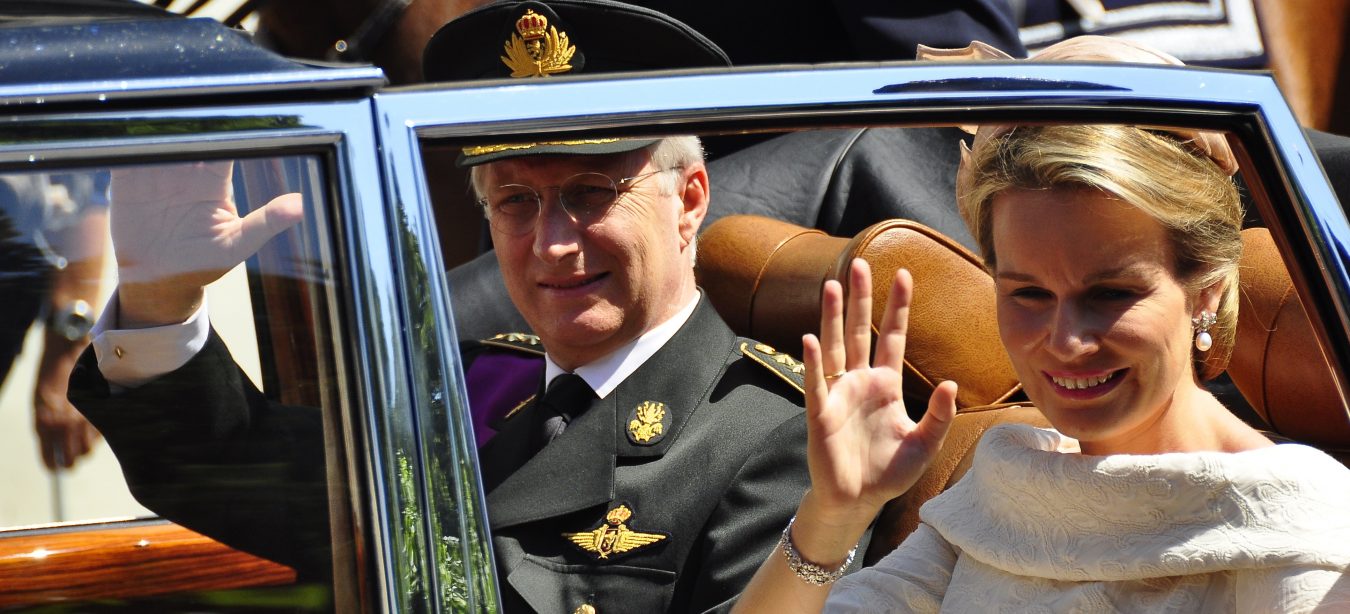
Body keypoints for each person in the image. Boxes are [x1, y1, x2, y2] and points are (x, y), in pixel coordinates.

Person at [68, 3, 819, 611]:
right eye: (516, 202)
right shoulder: (472, 385)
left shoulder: (772, 440)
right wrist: (161, 295)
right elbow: (230, 469)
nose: (553, 244)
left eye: (592, 194)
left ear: (689, 201)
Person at [729, 62, 1350, 614]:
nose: (1066, 341)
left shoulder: (1295, 525)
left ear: (1205, 290)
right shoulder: (1006, 488)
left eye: (1110, 294)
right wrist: (835, 513)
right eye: (1028, 294)